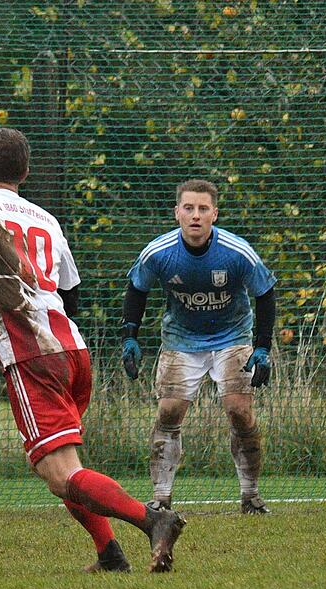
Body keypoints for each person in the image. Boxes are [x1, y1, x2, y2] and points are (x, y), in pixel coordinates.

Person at [0, 128, 186, 573]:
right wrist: (5, 344)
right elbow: (69, 294)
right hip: (72, 352)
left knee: (61, 473)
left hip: (35, 359)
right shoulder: (46, 219)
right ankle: (109, 554)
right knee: (64, 472)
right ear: (25, 172)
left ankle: (153, 520)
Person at [121, 179, 276, 515]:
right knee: (169, 412)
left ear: (214, 214)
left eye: (203, 209)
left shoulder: (237, 252)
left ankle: (250, 497)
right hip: (181, 339)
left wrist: (263, 347)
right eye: (188, 208)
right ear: (176, 212)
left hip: (233, 336)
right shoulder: (158, 252)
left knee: (240, 411)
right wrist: (130, 336)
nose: (195, 215)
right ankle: (161, 500)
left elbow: (265, 292)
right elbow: (136, 288)